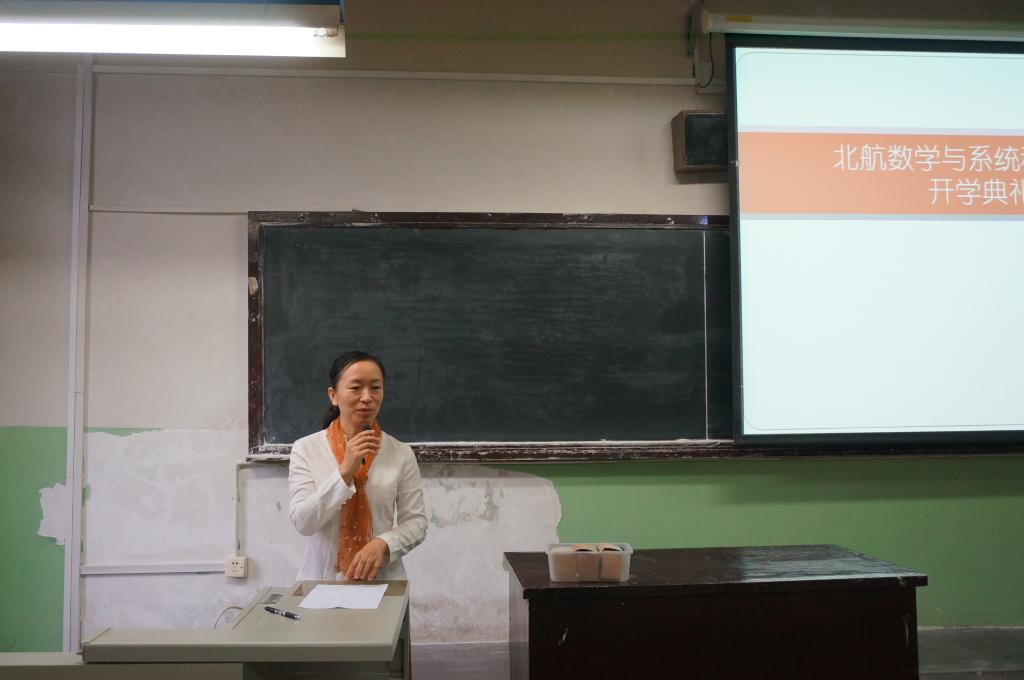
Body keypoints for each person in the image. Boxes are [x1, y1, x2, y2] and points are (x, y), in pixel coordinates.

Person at [288, 350, 427, 582]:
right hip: (321, 581)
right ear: (333, 395)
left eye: (375, 388)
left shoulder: (400, 453)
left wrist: (384, 543)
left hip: (383, 581)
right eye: (355, 388)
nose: (367, 397)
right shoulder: (306, 449)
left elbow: (417, 522)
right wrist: (344, 472)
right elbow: (304, 523)